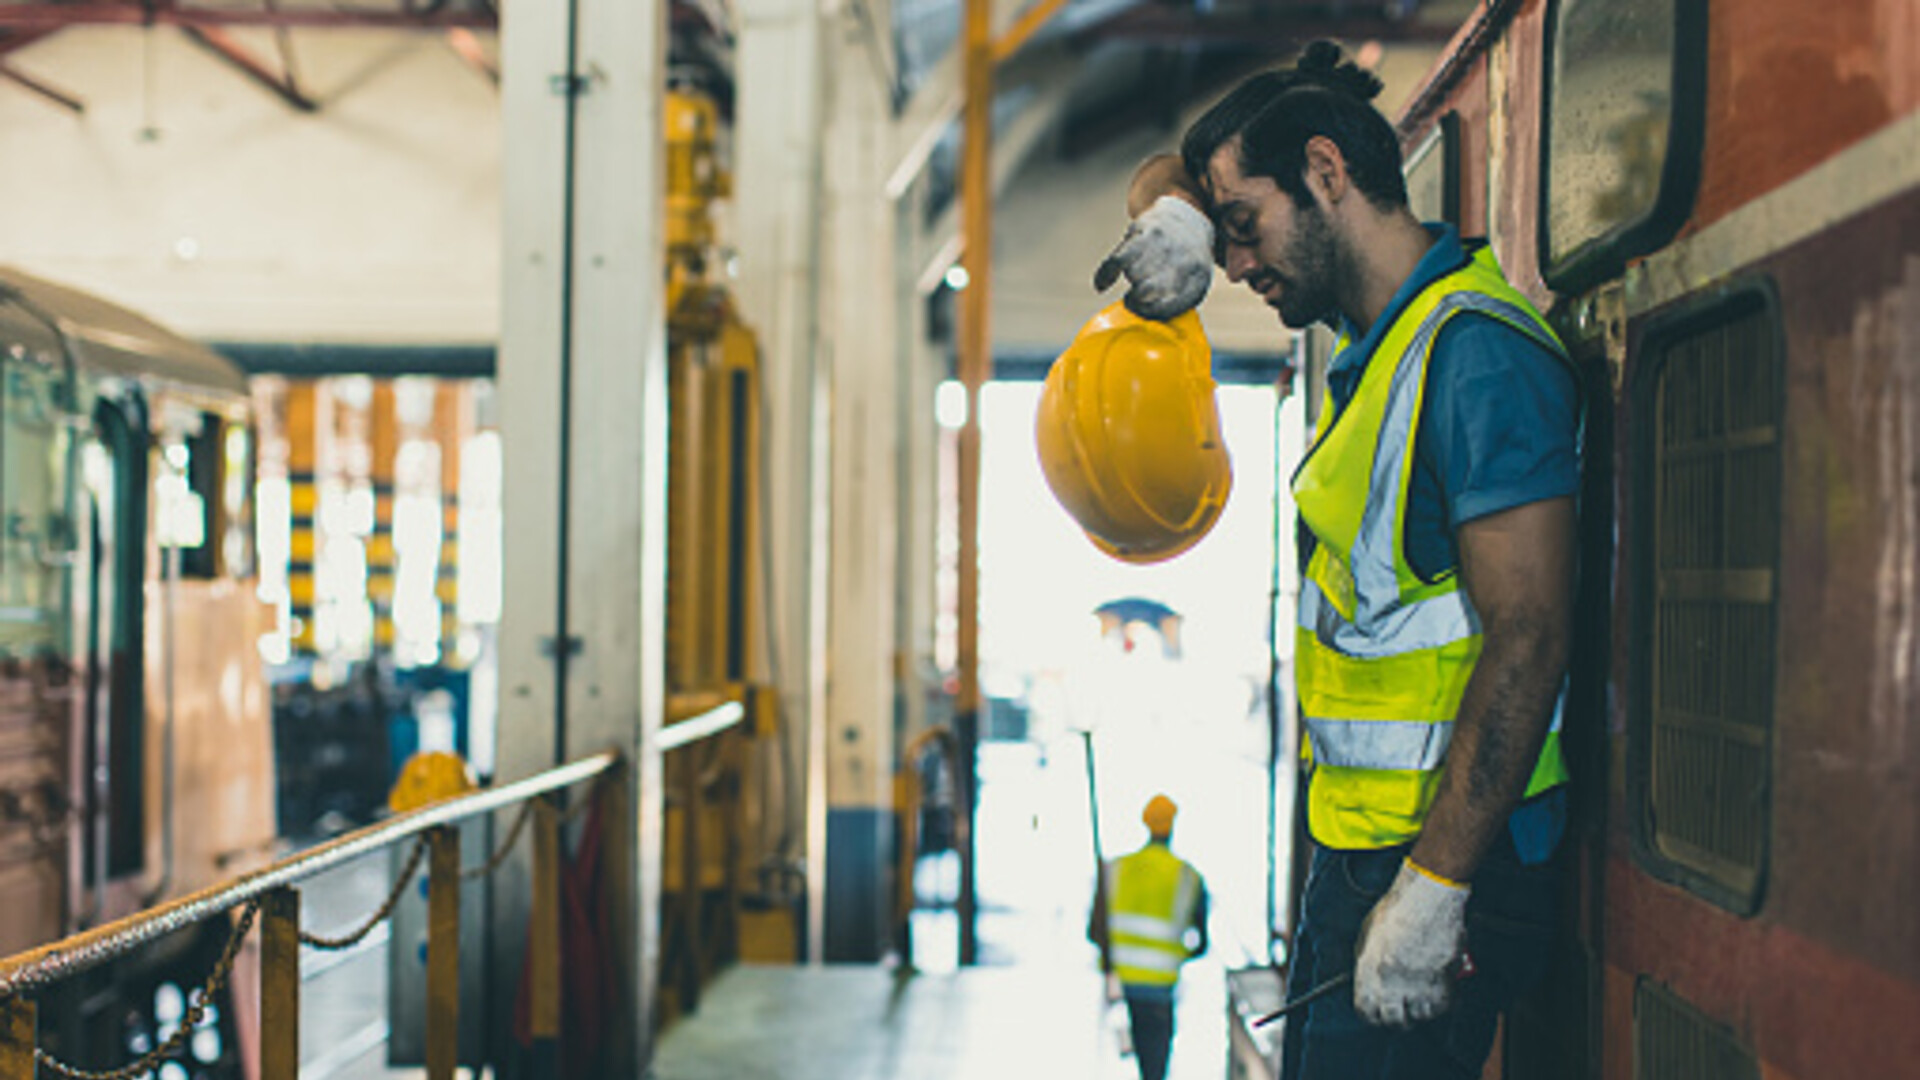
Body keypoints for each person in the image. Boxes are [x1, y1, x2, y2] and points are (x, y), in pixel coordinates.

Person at [1093, 41, 1579, 1080]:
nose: (1235, 266)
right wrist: (1182, 210)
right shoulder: (1380, 352)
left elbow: (1530, 633)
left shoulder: (1474, 354)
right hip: (1363, 858)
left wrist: (1435, 889)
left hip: (1445, 866)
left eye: (1240, 227)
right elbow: (1183, 170)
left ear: (1326, 172)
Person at [1087, 794, 1209, 1080]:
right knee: (1156, 1065)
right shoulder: (1188, 876)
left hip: (1125, 983)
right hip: (1162, 986)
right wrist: (1177, 955)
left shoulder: (1115, 869)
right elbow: (1201, 944)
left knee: (1140, 1052)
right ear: (1173, 826)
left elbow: (1094, 932)